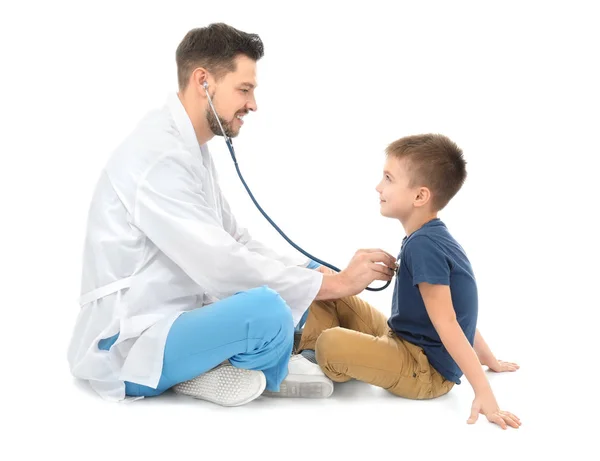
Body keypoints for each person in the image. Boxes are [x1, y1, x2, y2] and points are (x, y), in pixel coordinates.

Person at [67, 23, 397, 406]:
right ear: (203, 81)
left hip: (176, 316)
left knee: (302, 287)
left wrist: (312, 272)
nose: (253, 104)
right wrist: (332, 286)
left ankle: (217, 364)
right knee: (270, 312)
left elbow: (234, 238)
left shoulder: (189, 148)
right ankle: (200, 372)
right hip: (129, 342)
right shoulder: (158, 157)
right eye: (245, 89)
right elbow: (220, 264)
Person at [296, 134, 522, 429]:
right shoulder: (429, 237)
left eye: (388, 178)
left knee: (331, 342)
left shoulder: (424, 246)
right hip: (402, 341)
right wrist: (489, 359)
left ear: (420, 196)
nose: (378, 187)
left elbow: (450, 323)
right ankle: (309, 356)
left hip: (424, 372)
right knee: (325, 283)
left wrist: (484, 393)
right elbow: (460, 311)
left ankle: (313, 356)